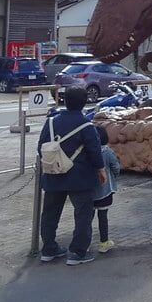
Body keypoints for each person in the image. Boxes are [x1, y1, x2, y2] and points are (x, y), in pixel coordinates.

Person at [37, 85, 106, 265]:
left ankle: (48, 249)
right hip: (80, 176)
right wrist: (100, 169)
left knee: (50, 213)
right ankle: (78, 252)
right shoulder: (86, 125)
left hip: (53, 174)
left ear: (64, 101)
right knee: (83, 214)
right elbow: (94, 151)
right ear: (84, 102)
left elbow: (41, 148)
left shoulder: (51, 122)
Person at [92, 125, 120, 254]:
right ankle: (104, 243)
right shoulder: (107, 151)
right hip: (105, 191)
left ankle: (84, 243)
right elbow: (115, 167)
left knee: (86, 218)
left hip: (89, 192)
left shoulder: (86, 151)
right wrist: (114, 177)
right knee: (103, 217)